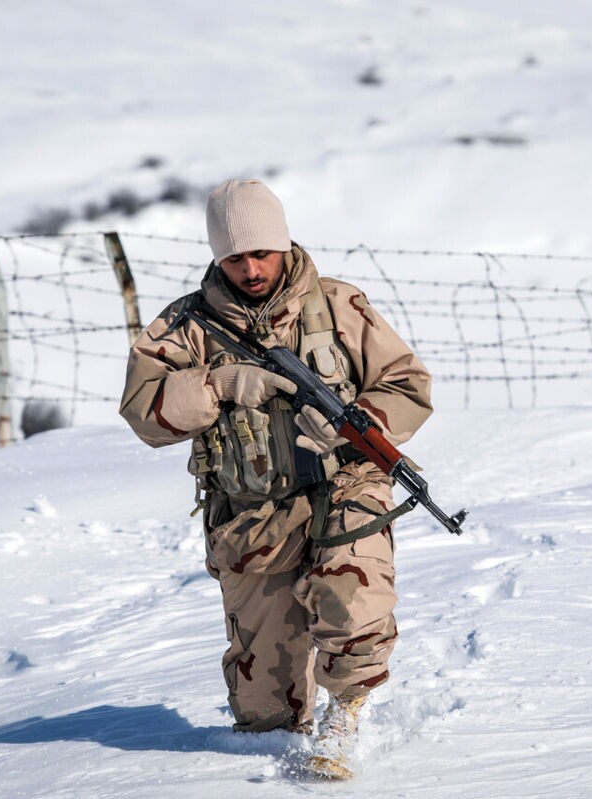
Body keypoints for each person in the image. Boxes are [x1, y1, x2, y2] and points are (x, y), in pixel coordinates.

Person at [119, 178, 432, 778]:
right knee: (264, 708)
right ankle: (269, 752)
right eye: (235, 257)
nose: (252, 268)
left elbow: (407, 384)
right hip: (250, 509)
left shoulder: (339, 305)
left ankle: (347, 715)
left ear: (283, 243)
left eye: (262, 252)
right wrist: (218, 384)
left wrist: (353, 425)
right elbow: (144, 413)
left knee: (352, 591)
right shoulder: (184, 327)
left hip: (346, 485)